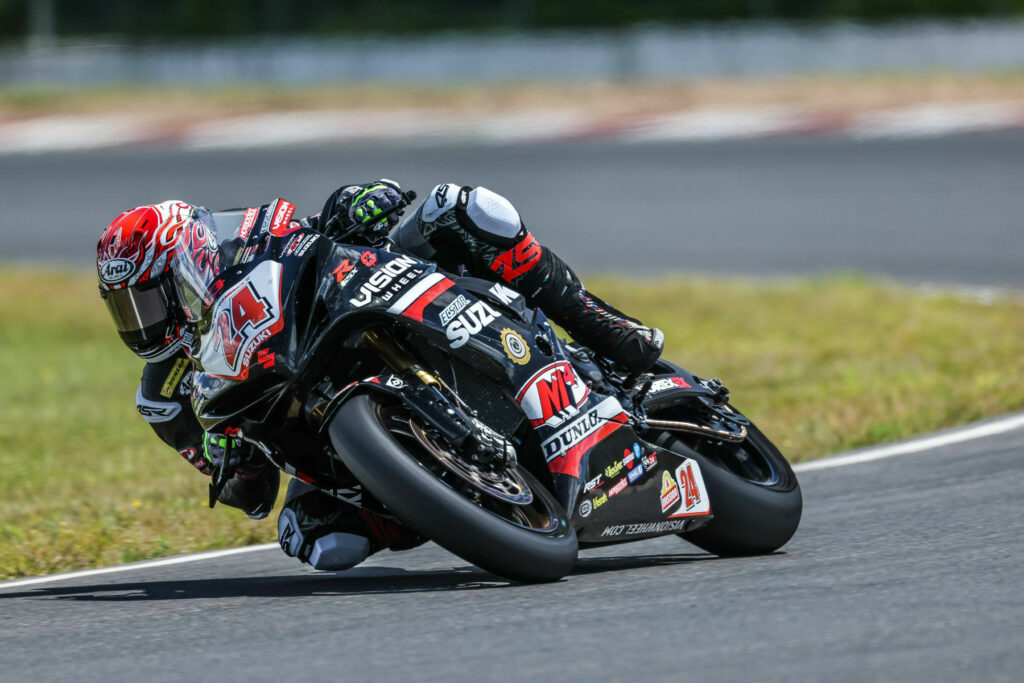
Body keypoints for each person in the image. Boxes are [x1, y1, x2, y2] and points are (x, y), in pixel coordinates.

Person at [96, 180, 664, 570]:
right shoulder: (167, 398)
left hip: (367, 305)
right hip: (325, 431)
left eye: (148, 300)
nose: (142, 324)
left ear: (185, 264)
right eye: (126, 309)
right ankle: (443, 509)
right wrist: (229, 455)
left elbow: (321, 227)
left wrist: (358, 202)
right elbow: (252, 500)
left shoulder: (251, 230)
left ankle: (602, 326)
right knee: (314, 540)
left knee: (462, 207)